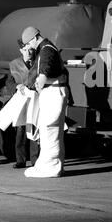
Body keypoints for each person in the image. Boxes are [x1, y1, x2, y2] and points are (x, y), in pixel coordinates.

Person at [21, 26, 69, 178]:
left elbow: (44, 70)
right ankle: (45, 165)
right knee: (47, 130)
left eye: (29, 44)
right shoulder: (45, 48)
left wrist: (39, 84)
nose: (29, 47)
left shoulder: (46, 50)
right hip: (53, 91)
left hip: (53, 91)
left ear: (35, 38)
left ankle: (52, 168)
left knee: (50, 130)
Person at [5, 39, 40, 169]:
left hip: (35, 99)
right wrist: (16, 86)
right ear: (21, 51)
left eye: (30, 50)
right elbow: (8, 82)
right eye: (25, 50)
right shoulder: (14, 64)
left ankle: (35, 160)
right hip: (21, 99)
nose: (28, 52)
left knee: (34, 128)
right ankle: (20, 160)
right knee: (20, 130)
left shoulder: (38, 62)